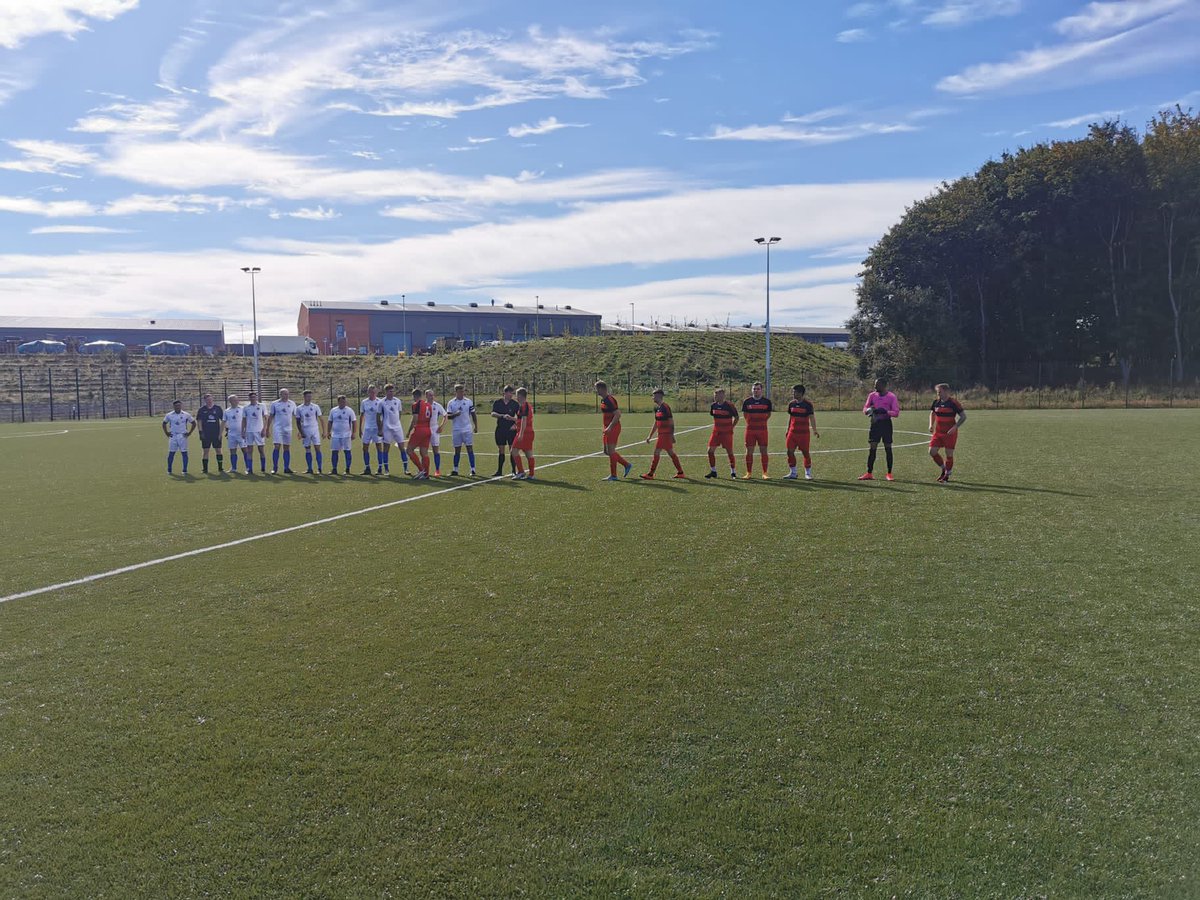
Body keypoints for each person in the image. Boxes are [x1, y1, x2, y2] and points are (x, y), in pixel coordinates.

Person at [859, 377, 900, 481]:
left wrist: (886, 412)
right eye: (875, 384)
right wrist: (869, 411)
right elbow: (865, 408)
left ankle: (889, 473)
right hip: (875, 424)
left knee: (888, 448)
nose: (875, 386)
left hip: (886, 424)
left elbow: (896, 412)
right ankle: (869, 473)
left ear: (884, 385)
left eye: (877, 384)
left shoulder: (891, 397)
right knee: (872, 448)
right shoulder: (872, 395)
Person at [642, 389, 686, 479]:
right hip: (661, 434)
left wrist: (672, 435)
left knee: (656, 452)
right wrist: (649, 436)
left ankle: (650, 474)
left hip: (665, 434)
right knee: (671, 453)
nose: (652, 397)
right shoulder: (657, 408)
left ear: (659, 396)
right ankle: (680, 472)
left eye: (653, 396)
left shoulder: (665, 407)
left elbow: (671, 422)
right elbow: (656, 423)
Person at [929, 383, 967, 482]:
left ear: (946, 391)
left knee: (949, 454)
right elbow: (932, 413)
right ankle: (943, 468)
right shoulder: (936, 402)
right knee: (932, 451)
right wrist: (931, 424)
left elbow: (963, 417)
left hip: (950, 433)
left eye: (939, 391)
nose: (938, 394)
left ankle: (946, 475)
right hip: (938, 432)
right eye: (937, 392)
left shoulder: (953, 402)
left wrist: (955, 427)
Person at [595, 380, 632, 481]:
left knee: (611, 451)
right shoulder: (603, 400)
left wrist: (610, 427)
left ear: (602, 389)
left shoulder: (609, 400)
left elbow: (618, 414)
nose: (596, 391)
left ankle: (614, 475)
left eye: (597, 389)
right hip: (607, 428)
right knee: (606, 451)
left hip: (613, 428)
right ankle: (626, 464)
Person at [784, 384, 820, 480]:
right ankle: (793, 472)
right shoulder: (791, 404)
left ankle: (808, 473)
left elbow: (812, 417)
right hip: (792, 433)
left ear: (800, 393)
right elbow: (790, 418)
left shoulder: (808, 405)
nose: (793, 393)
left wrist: (814, 430)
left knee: (805, 453)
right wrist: (787, 430)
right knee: (789, 452)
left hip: (803, 434)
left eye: (795, 392)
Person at [741, 382, 773, 479]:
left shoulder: (767, 402)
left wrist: (761, 422)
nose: (756, 390)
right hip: (750, 430)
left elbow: (768, 414)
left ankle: (765, 473)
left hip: (762, 430)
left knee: (763, 450)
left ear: (761, 390)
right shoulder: (747, 402)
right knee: (749, 451)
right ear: (752, 390)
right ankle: (748, 473)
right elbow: (745, 415)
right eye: (754, 389)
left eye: (758, 389)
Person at [706, 388, 739, 479]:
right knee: (710, 451)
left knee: (729, 452)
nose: (715, 396)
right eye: (714, 395)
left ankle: (733, 472)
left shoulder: (729, 405)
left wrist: (731, 427)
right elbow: (714, 416)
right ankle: (713, 471)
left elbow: (736, 417)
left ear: (722, 396)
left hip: (727, 433)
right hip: (716, 432)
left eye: (717, 395)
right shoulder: (713, 406)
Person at [446, 383, 478, 476]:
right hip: (456, 429)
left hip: (467, 429)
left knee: (470, 448)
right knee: (457, 450)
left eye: (463, 391)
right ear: (456, 392)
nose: (462, 393)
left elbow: (473, 414)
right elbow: (448, 416)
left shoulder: (468, 401)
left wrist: (476, 426)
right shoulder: (451, 402)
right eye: (460, 391)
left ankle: (473, 469)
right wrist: (455, 414)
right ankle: (455, 469)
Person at [379, 383, 409, 476]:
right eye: (389, 391)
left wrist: (397, 423)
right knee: (386, 449)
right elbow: (378, 416)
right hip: (387, 428)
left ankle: (406, 469)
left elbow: (399, 413)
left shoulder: (398, 401)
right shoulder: (382, 402)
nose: (391, 393)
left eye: (392, 391)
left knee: (402, 447)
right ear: (386, 392)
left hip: (397, 428)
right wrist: (380, 429)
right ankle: (386, 470)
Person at [490, 386, 519, 477]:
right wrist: (502, 416)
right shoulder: (498, 402)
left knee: (512, 450)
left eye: (512, 393)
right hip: (500, 429)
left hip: (511, 430)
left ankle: (514, 471)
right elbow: (493, 413)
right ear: (505, 393)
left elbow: (520, 417)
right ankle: (499, 471)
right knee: (501, 450)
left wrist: (515, 425)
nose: (511, 395)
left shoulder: (515, 404)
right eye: (510, 393)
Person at [267, 388, 297, 474]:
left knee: (287, 447)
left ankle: (286, 468)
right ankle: (275, 468)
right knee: (277, 446)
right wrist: (267, 429)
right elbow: (271, 416)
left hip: (288, 429)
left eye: (287, 394)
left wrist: (300, 429)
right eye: (284, 394)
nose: (286, 396)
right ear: (280, 395)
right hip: (278, 428)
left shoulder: (292, 403)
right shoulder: (275, 404)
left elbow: (296, 416)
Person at [162, 399, 195, 475]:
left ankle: (184, 470)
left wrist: (189, 433)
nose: (178, 407)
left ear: (181, 406)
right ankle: (169, 469)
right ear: (173, 406)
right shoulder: (169, 415)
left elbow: (193, 423)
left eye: (179, 405)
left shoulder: (186, 414)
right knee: (171, 453)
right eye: (176, 406)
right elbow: (164, 423)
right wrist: (166, 433)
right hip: (173, 436)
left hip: (182, 436)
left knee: (184, 453)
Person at [295, 389, 324, 474]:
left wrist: (324, 431)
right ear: (304, 397)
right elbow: (298, 421)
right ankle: (310, 468)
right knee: (307, 449)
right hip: (305, 430)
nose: (309, 398)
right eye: (308, 396)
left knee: (317, 448)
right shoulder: (299, 408)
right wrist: (301, 432)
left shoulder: (315, 407)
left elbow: (321, 419)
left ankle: (319, 468)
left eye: (310, 396)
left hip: (315, 430)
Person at [327, 394, 357, 475]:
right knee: (334, 452)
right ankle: (334, 469)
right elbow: (330, 421)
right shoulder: (333, 410)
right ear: (338, 402)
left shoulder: (350, 411)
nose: (343, 403)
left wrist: (353, 433)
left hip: (346, 435)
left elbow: (354, 422)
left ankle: (347, 469)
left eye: (344, 402)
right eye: (341, 402)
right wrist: (328, 432)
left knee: (347, 451)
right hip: (335, 435)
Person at [360, 384, 386, 475]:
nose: (372, 393)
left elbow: (383, 416)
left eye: (373, 391)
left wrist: (381, 428)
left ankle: (380, 468)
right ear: (368, 392)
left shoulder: (380, 402)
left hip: (376, 428)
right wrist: (360, 428)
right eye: (370, 391)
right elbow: (362, 415)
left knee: (379, 447)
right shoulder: (364, 402)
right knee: (365, 448)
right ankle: (367, 468)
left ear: (376, 392)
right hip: (367, 428)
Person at [195, 393, 225, 474]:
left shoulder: (218, 408)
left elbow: (223, 420)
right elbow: (199, 421)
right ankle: (205, 469)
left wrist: (223, 431)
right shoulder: (201, 409)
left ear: (212, 399)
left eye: (210, 399)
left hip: (216, 433)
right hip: (206, 434)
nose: (209, 401)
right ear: (204, 400)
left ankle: (220, 468)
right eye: (207, 400)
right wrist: (200, 432)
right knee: (206, 451)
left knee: (218, 450)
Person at [407, 387, 433, 479]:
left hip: (420, 429)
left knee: (409, 450)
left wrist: (410, 430)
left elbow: (415, 419)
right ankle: (426, 474)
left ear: (414, 396)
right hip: (427, 429)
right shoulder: (428, 405)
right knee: (424, 453)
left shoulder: (416, 404)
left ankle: (421, 470)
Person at [511, 386, 535, 480]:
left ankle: (521, 472)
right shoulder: (527, 405)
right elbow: (521, 419)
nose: (516, 398)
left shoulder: (524, 406)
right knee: (528, 453)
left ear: (521, 396)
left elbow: (524, 420)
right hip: (529, 432)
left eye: (517, 396)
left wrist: (520, 433)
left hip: (524, 433)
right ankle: (531, 474)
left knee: (513, 451)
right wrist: (514, 420)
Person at [223, 394, 249, 474]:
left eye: (236, 399)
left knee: (245, 450)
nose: (235, 401)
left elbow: (247, 420)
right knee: (232, 451)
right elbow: (224, 422)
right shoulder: (227, 411)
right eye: (233, 400)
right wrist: (225, 431)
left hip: (242, 433)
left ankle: (248, 467)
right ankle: (233, 468)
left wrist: (245, 431)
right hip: (231, 434)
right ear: (230, 401)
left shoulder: (243, 409)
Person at [243, 390, 268, 473]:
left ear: (256, 397)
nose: (253, 398)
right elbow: (244, 420)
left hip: (259, 431)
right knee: (249, 450)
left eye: (254, 397)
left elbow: (266, 418)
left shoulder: (262, 406)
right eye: (251, 397)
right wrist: (243, 431)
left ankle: (263, 468)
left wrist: (264, 429)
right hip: (249, 431)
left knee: (261, 450)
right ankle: (250, 469)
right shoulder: (246, 408)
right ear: (249, 398)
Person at [425, 388, 448, 476]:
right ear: (426, 396)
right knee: (424, 451)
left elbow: (445, 416)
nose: (432, 397)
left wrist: (441, 426)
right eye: (430, 395)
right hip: (425, 429)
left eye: (432, 395)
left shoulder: (437, 405)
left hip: (434, 429)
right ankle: (425, 470)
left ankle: (437, 470)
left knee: (436, 450)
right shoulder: (423, 405)